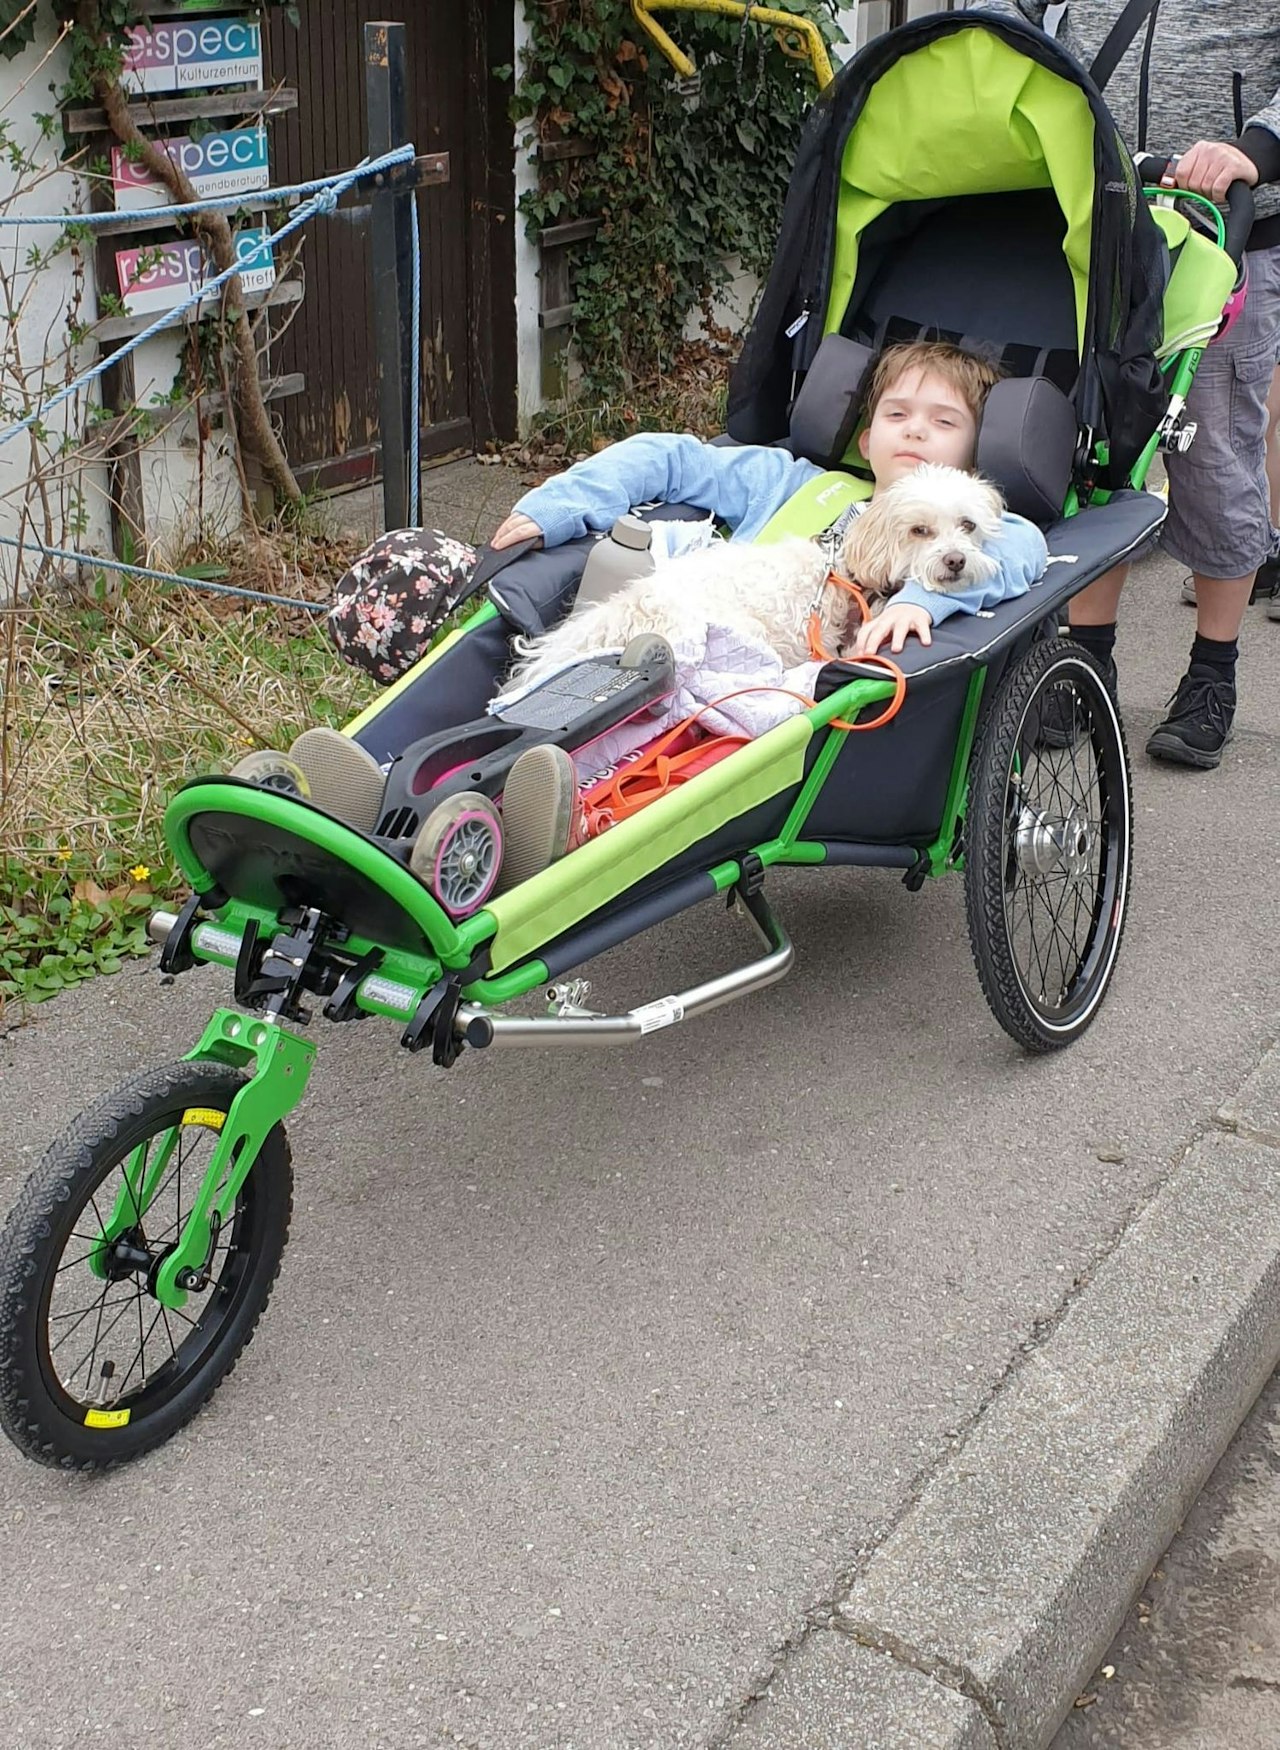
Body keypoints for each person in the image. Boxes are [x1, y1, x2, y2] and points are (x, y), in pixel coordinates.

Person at [325, 340, 1047, 881]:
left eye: (943, 421)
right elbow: (668, 457)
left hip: (761, 700)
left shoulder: (986, 523)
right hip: (683, 626)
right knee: (585, 693)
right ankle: (390, 778)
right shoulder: (796, 483)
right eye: (898, 414)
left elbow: (1013, 555)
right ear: (865, 439)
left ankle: (493, 815)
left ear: (975, 454)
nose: (916, 432)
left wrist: (919, 596)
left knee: (630, 715)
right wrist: (558, 507)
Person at [969, 0, 1280, 769]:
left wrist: (1254, 148)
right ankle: (1089, 660)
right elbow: (1007, 22)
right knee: (1089, 448)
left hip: (1228, 237)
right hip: (1097, 222)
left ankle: (1213, 674)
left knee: (1213, 461)